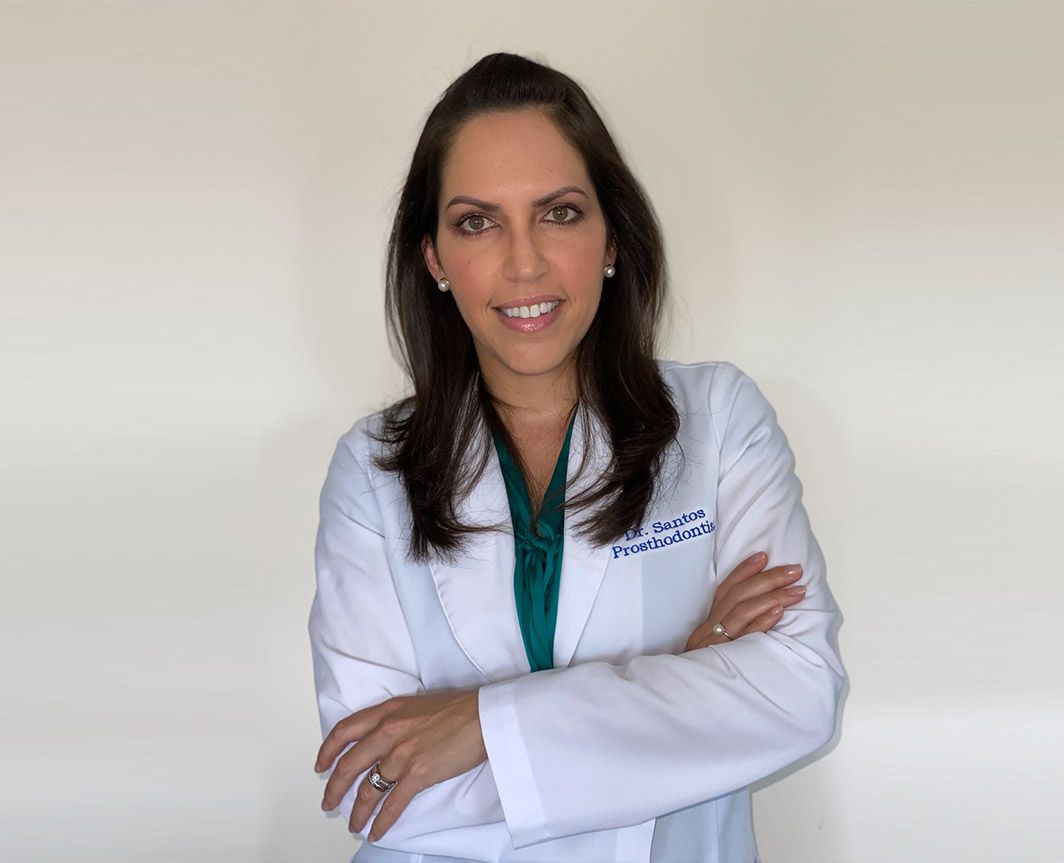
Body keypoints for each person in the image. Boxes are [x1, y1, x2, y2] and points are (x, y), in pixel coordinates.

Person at [308, 52, 846, 863]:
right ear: (434, 260)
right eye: (476, 221)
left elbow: (800, 692)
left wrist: (477, 726)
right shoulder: (372, 470)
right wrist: (681, 681)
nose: (523, 263)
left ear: (611, 240)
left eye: (558, 213)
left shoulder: (718, 421)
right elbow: (377, 785)